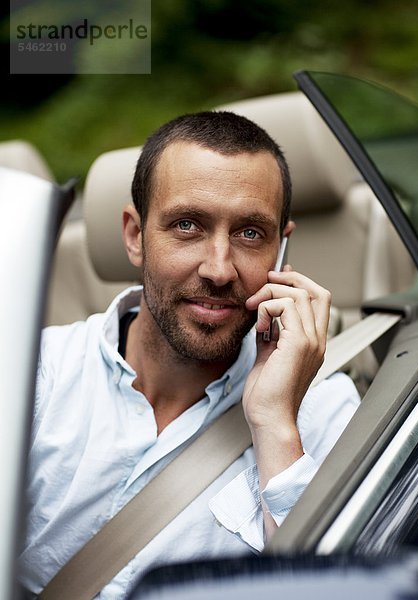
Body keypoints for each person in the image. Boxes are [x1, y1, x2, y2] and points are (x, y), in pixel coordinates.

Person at [19, 111, 360, 598]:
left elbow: (332, 592)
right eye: (187, 225)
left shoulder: (322, 413)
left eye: (249, 234)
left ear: (281, 252)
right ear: (135, 236)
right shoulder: (33, 374)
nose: (219, 269)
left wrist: (274, 426)